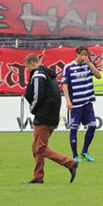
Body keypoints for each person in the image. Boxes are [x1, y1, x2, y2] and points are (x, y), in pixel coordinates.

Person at [23, 53, 77, 185]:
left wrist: (33, 109)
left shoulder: (38, 75)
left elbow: (38, 96)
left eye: (27, 67)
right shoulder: (49, 74)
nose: (27, 70)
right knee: (36, 147)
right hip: (52, 116)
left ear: (31, 63)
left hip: (43, 116)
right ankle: (38, 176)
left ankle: (69, 163)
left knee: (40, 148)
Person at [61, 47, 103, 163]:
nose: (84, 57)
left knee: (93, 126)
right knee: (74, 128)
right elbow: (64, 84)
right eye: (83, 55)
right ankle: (75, 155)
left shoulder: (88, 65)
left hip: (87, 102)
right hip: (75, 105)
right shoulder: (68, 67)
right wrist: (68, 101)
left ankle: (85, 151)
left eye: (86, 55)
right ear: (77, 54)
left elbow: (99, 76)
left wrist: (89, 63)